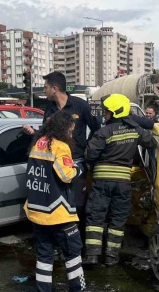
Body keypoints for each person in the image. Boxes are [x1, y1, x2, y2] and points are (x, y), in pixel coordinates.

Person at [24, 111, 101, 292]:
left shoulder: (38, 143)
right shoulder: (60, 146)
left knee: (44, 258)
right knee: (73, 255)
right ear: (64, 128)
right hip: (59, 213)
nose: (72, 132)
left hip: (37, 211)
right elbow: (66, 176)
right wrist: (77, 169)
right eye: (71, 128)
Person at [84, 94, 157, 266]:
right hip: (123, 182)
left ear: (115, 112)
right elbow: (153, 141)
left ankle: (93, 255)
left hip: (102, 182)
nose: (104, 114)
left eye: (106, 111)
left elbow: (89, 154)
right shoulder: (136, 130)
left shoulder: (103, 132)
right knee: (118, 219)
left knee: (96, 218)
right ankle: (111, 257)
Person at [22, 72, 100, 229]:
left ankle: (77, 240)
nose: (44, 91)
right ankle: (62, 240)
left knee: (77, 203)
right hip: (55, 163)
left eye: (46, 87)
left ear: (55, 89)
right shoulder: (49, 109)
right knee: (59, 203)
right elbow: (46, 134)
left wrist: (88, 147)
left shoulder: (80, 105)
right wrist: (33, 133)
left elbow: (97, 129)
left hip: (76, 162)